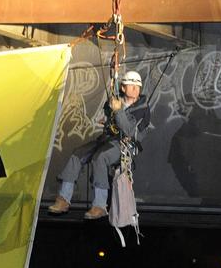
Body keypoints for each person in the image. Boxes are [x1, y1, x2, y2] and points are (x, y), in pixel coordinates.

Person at [48, 69, 150, 219]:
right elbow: (110, 120)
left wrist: (119, 111)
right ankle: (64, 199)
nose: (135, 89)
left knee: (100, 157)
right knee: (78, 154)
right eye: (131, 85)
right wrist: (110, 114)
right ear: (123, 88)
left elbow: (129, 131)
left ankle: (100, 205)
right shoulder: (116, 100)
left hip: (125, 145)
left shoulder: (143, 108)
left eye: (137, 86)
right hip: (108, 139)